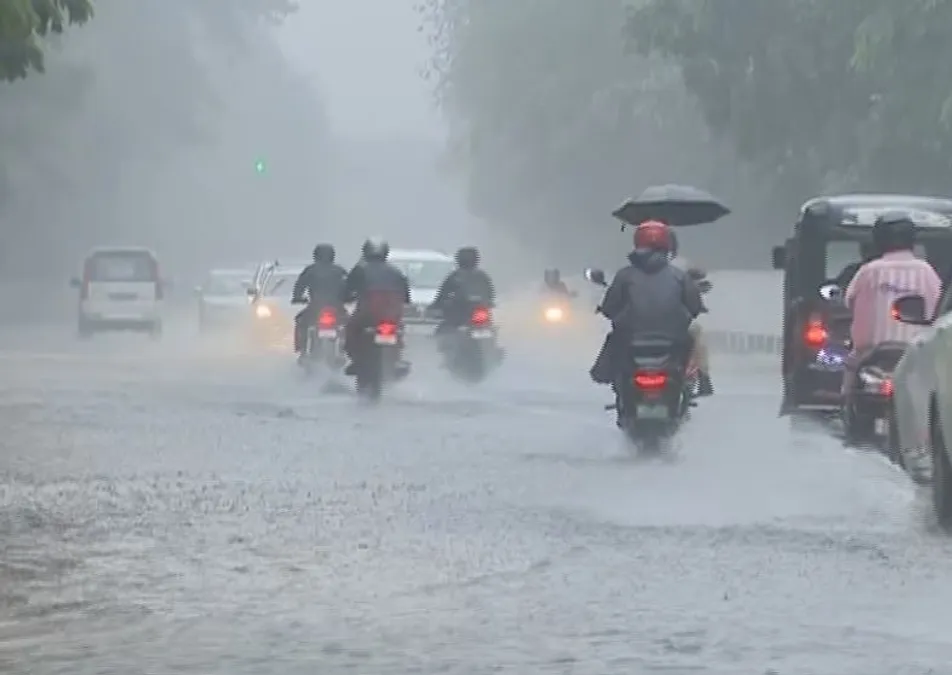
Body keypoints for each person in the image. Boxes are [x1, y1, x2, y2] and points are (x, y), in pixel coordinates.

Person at [590, 220, 704, 424]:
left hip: (631, 345)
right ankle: (695, 386)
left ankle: (608, 379)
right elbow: (694, 307)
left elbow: (609, 308)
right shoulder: (678, 276)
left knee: (614, 341)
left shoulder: (625, 275)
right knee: (692, 342)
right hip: (671, 346)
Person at [842, 212, 941, 396]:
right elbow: (939, 307)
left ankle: (849, 414)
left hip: (869, 354)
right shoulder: (926, 271)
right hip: (916, 353)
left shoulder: (869, 271)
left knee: (850, 384)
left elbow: (849, 300)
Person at [341, 237, 411, 375]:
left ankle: (356, 360)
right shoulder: (395, 271)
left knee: (351, 329)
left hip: (367, 313)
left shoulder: (360, 269)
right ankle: (396, 358)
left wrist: (347, 297)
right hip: (391, 314)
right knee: (398, 330)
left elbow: (347, 291)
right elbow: (406, 296)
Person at [666, 229, 714, 396]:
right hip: (670, 319)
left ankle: (703, 377)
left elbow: (693, 286)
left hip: (670, 318)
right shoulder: (637, 266)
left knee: (696, 334)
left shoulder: (682, 264)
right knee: (696, 335)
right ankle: (704, 377)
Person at [291, 243, 347, 363]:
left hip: (315, 308)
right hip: (336, 308)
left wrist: (297, 298)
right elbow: (348, 287)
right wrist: (349, 297)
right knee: (348, 325)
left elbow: (299, 287)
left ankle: (303, 351)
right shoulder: (339, 270)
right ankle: (343, 351)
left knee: (300, 322)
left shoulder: (310, 270)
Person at [428, 246, 496, 337]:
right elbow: (491, 294)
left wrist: (436, 306)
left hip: (459, 318)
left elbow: (442, 295)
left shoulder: (455, 276)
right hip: (473, 318)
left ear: (458, 260)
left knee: (442, 333)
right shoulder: (482, 276)